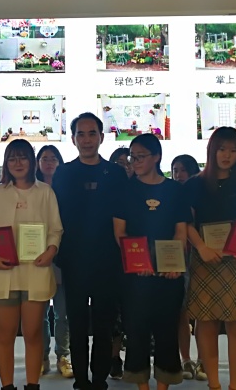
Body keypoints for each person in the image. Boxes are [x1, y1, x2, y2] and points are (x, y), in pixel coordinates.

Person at [52, 112, 128, 390]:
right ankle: (81, 380)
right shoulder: (64, 173)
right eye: (80, 134)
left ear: (101, 137)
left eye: (91, 133)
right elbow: (56, 217)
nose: (86, 140)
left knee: (104, 323)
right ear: (73, 139)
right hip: (74, 261)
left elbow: (123, 218)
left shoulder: (116, 173)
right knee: (77, 323)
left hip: (108, 260)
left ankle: (99, 379)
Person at [184, 127, 236, 390]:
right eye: (222, 149)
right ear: (212, 151)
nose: (227, 155)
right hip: (205, 259)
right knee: (206, 322)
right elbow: (187, 223)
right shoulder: (194, 184)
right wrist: (201, 247)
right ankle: (214, 384)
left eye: (233, 150)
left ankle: (235, 385)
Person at [0, 139, 63, 390]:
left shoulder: (45, 192)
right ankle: (7, 385)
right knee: (5, 334)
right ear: (6, 163)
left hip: (36, 271)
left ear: (32, 161)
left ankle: (32, 385)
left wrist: (51, 251)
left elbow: (56, 229)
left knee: (33, 333)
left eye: (23, 157)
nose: (17, 163)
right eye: (12, 158)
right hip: (4, 272)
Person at [113, 134, 190, 389]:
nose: (135, 161)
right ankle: (142, 385)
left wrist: (175, 265)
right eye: (132, 157)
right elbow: (120, 233)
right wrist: (138, 262)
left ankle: (163, 385)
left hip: (169, 275)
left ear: (156, 157)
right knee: (136, 332)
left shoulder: (174, 190)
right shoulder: (125, 190)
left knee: (167, 332)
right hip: (135, 276)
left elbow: (180, 232)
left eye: (141, 156)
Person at [35, 145, 73, 378]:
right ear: (37, 163)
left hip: (61, 256)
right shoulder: (32, 189)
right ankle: (41, 356)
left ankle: (63, 356)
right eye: (44, 158)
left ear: (60, 162)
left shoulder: (66, 189)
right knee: (39, 313)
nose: (49, 162)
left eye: (53, 158)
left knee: (62, 312)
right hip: (35, 257)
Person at [170, 154, 207, 381]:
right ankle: (185, 359)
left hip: (202, 255)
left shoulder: (202, 193)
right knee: (181, 311)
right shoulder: (170, 194)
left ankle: (203, 360)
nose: (179, 175)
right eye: (175, 170)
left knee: (203, 311)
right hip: (178, 257)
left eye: (183, 170)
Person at [107, 146, 131, 379]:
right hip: (113, 260)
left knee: (135, 313)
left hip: (143, 261)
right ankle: (114, 358)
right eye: (119, 162)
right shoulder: (109, 192)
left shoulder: (143, 189)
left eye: (128, 162)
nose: (125, 166)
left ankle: (135, 359)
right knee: (114, 314)